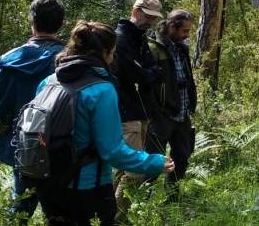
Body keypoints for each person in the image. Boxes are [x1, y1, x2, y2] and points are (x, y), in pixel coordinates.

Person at [34, 21, 174, 225]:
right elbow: (112, 151)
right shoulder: (101, 90)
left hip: (48, 184)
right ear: (106, 52)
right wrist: (153, 162)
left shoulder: (48, 82)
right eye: (113, 52)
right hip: (88, 188)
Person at [0, 0, 66, 221]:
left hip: (20, 143)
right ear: (61, 24)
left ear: (33, 22)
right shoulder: (67, 60)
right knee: (61, 212)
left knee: (21, 206)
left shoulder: (8, 61)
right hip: (60, 144)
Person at [112, 0, 164, 210]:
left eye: (153, 18)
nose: (150, 22)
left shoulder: (140, 38)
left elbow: (154, 70)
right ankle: (116, 219)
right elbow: (136, 74)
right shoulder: (120, 39)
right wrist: (147, 73)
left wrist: (147, 73)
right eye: (147, 16)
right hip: (126, 113)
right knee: (135, 172)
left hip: (141, 112)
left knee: (123, 169)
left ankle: (106, 215)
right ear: (136, 11)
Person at [146, 10, 197, 188]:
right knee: (153, 161)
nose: (187, 35)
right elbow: (148, 85)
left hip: (182, 114)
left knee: (182, 158)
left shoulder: (182, 48)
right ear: (172, 26)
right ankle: (143, 199)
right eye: (185, 31)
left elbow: (187, 78)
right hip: (162, 116)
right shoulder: (153, 48)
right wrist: (156, 111)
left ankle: (173, 196)